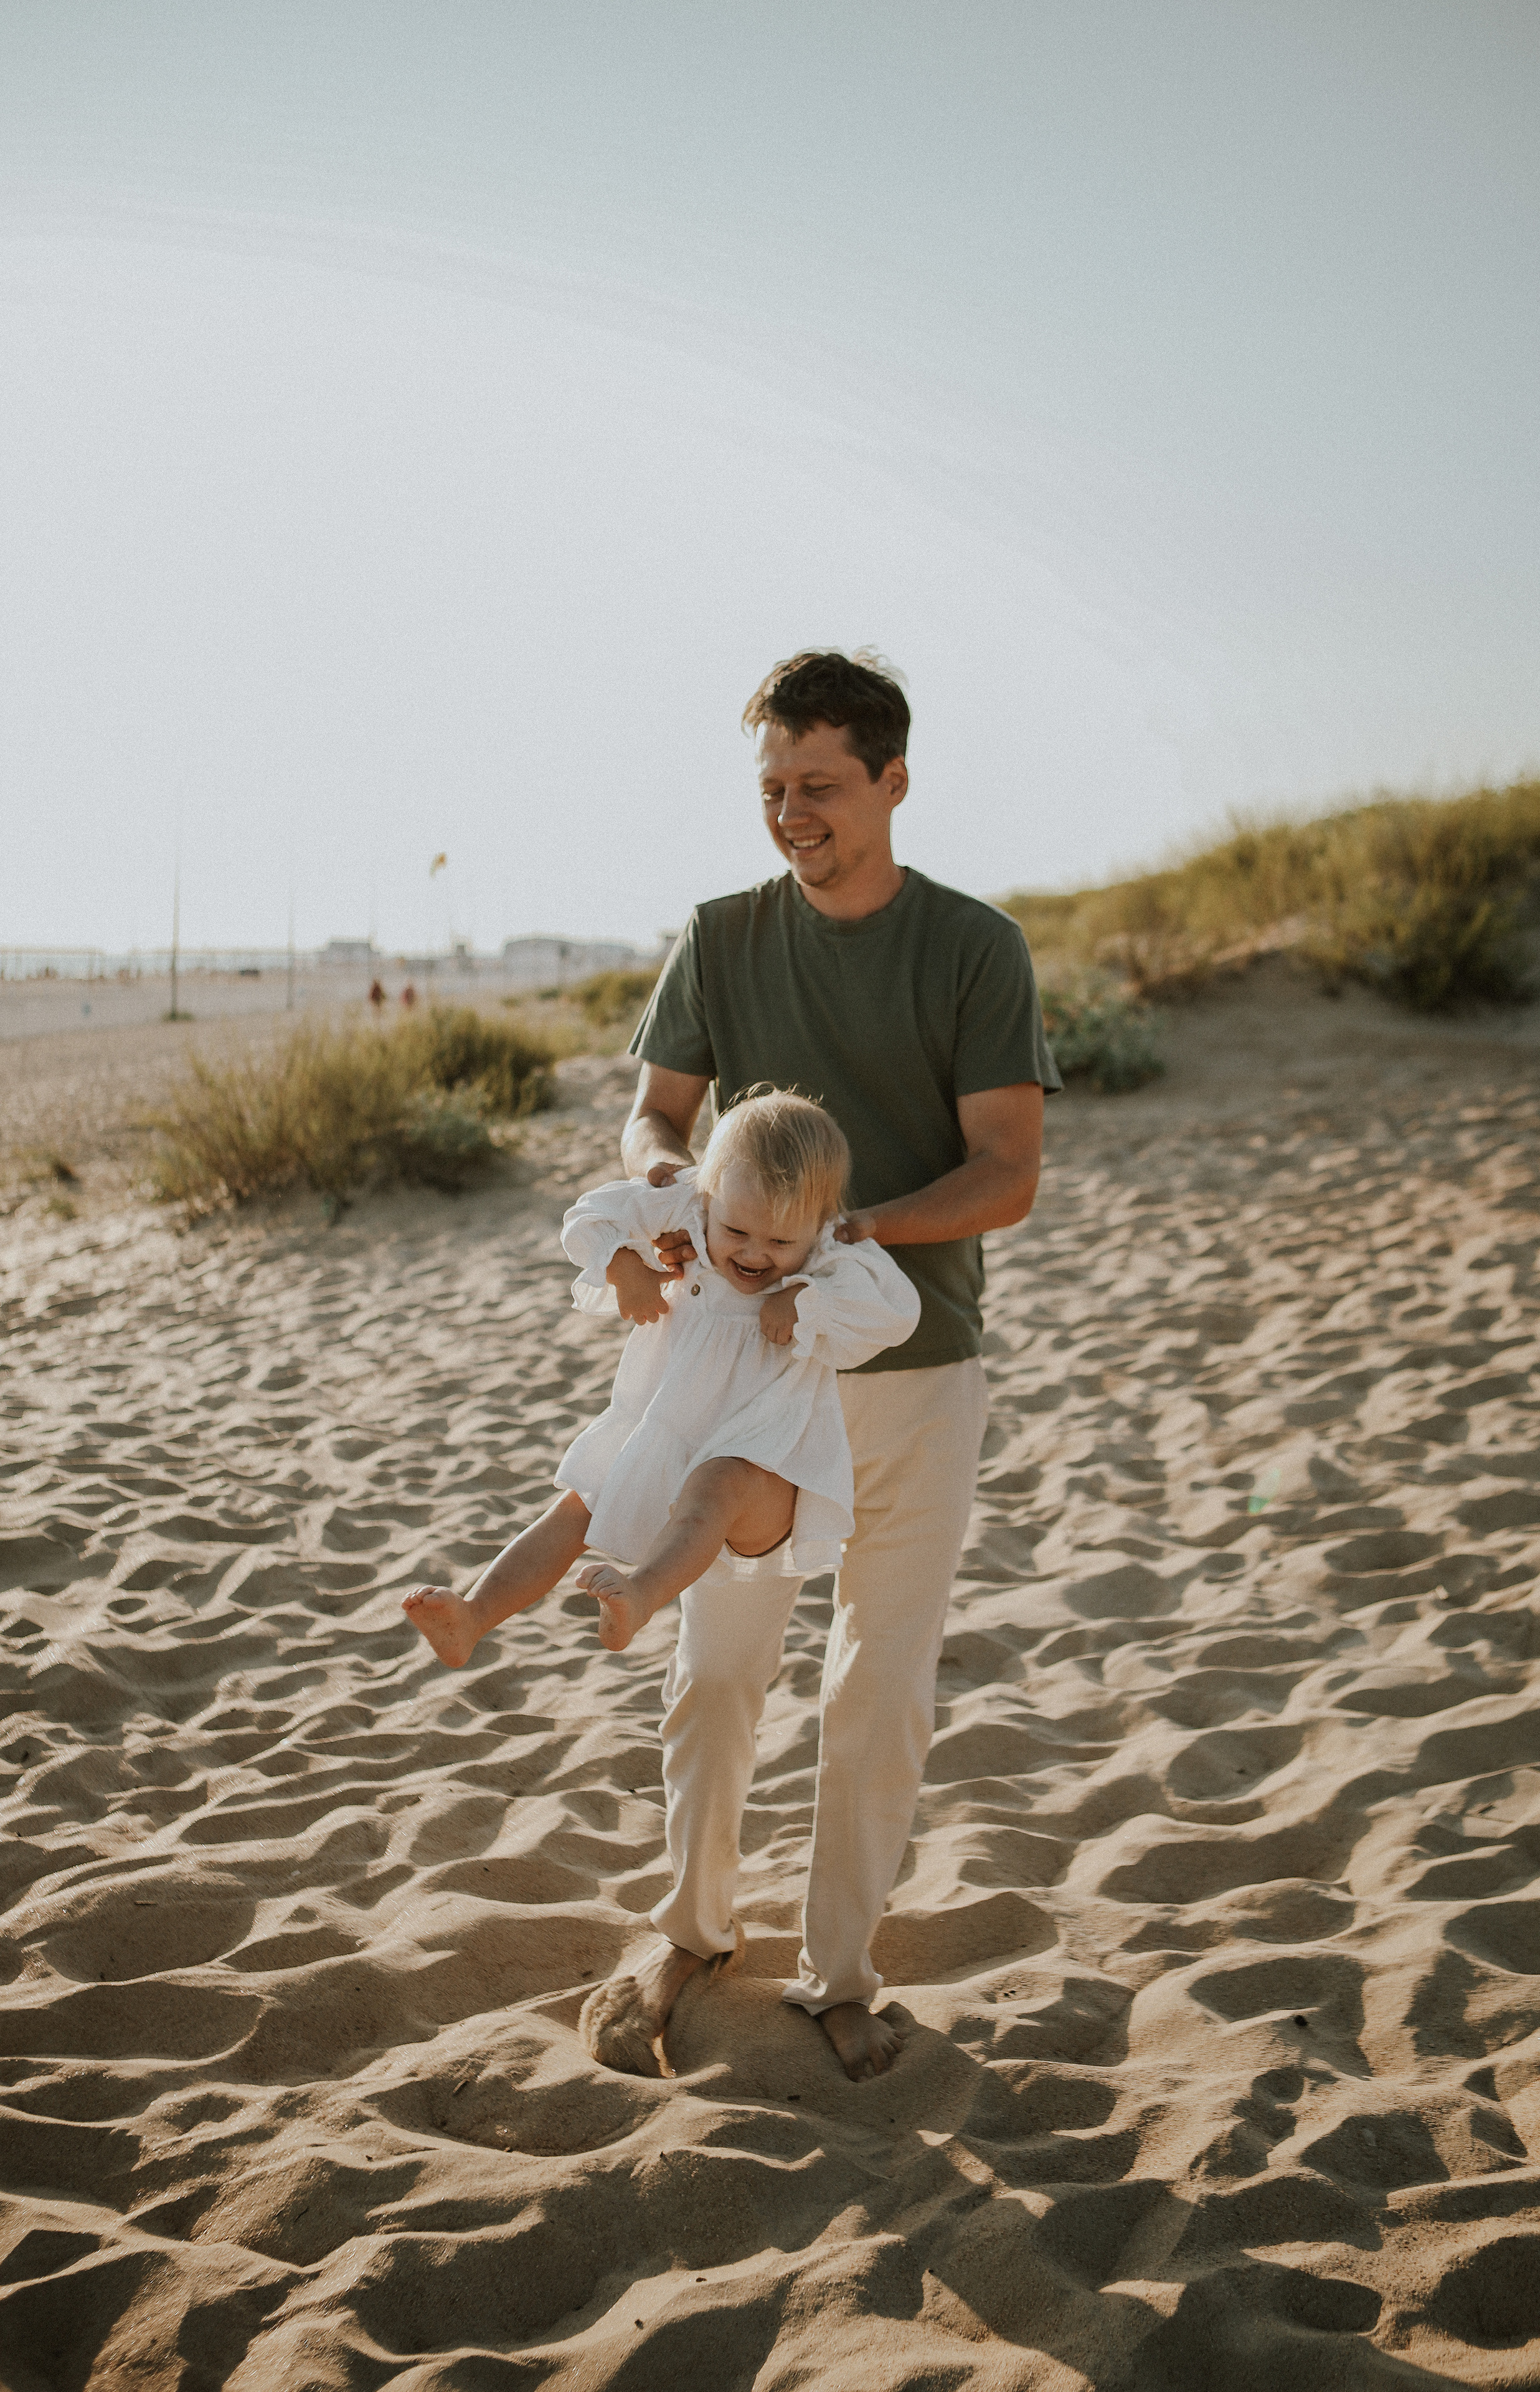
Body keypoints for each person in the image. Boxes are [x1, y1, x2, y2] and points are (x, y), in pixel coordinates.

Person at [583, 648, 1062, 2083]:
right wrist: (676, 1197)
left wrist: (842, 1233)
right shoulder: (719, 937)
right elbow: (651, 1118)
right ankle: (690, 1930)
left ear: (892, 783)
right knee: (717, 1666)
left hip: (919, 1369)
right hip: (741, 1378)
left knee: (878, 1688)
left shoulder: (975, 949)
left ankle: (842, 1969)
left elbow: (1004, 1173)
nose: (791, 812)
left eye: (820, 786)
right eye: (771, 786)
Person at [400, 1087, 918, 1659]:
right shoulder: (685, 1207)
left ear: (819, 1222)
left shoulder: (828, 1253)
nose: (754, 1254)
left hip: (764, 1469)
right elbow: (588, 1216)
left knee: (715, 1484)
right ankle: (473, 1617)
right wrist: (623, 1266)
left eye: (779, 1242)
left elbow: (898, 1310)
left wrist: (805, 1298)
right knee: (578, 1507)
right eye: (737, 1232)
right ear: (709, 1194)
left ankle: (642, 1595)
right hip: (665, 1431)